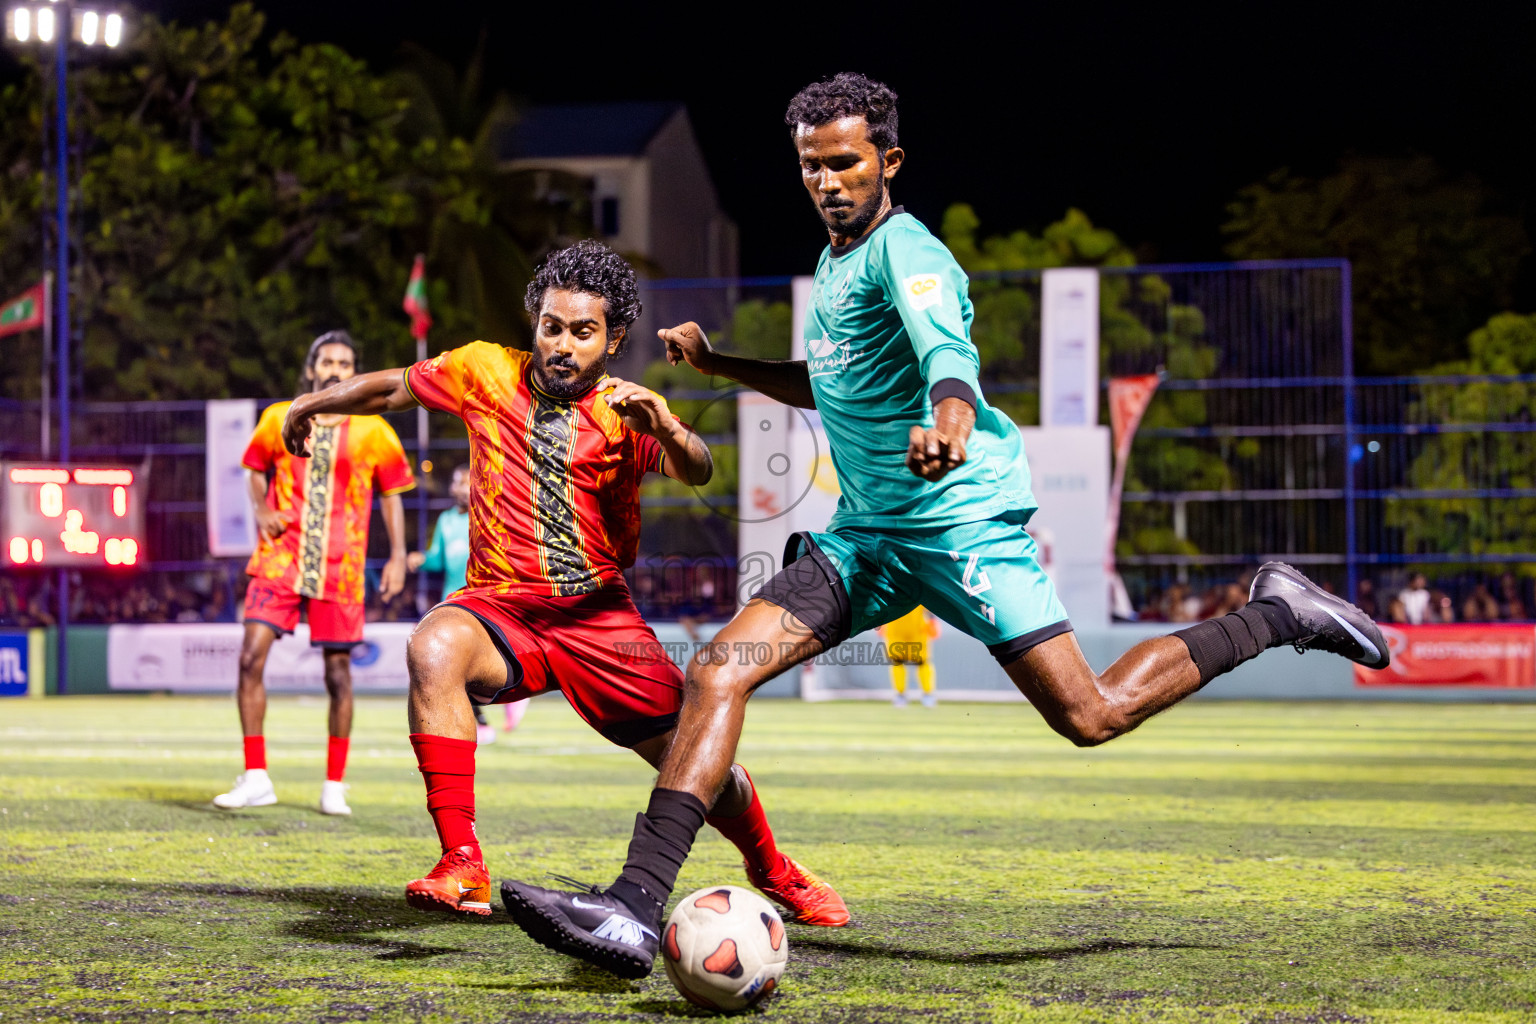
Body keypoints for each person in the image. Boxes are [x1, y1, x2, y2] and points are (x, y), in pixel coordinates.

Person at [499, 73, 1390, 980]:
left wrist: (952, 420)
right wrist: (724, 362)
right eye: (810, 165)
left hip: (959, 527)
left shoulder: (907, 251)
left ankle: (1277, 613)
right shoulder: (836, 263)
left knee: (1091, 714)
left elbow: (946, 355)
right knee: (718, 671)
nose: (826, 180)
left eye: (844, 161)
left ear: (887, 161)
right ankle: (634, 908)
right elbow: (830, 382)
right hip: (868, 538)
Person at [278, 240, 849, 928]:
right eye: (553, 326)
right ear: (535, 323)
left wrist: (667, 426)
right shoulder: (483, 369)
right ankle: (462, 861)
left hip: (599, 621)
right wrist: (314, 401)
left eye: (583, 332)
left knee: (697, 761)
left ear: (613, 340)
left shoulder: (625, 409)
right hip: (501, 609)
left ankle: (773, 867)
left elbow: (698, 469)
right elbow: (393, 386)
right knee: (432, 646)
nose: (564, 344)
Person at [213, 330, 414, 816]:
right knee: (249, 659)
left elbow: (392, 496)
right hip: (280, 557)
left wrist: (397, 555)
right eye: (327, 361)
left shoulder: (374, 430)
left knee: (339, 675)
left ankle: (333, 784)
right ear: (311, 369)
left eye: (345, 363)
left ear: (355, 372)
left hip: (341, 567)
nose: (335, 370)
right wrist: (261, 510)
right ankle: (256, 776)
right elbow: (254, 467)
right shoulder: (277, 417)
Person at [407, 465, 512, 744]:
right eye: (455, 483)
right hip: (453, 601)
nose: (457, 488)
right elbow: (438, 559)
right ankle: (478, 720)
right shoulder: (446, 520)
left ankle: (507, 699)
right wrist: (422, 560)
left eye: (464, 482)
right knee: (457, 668)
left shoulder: (488, 517)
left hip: (485, 600)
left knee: (480, 665)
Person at [879, 604, 940, 707]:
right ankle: (900, 695)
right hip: (895, 628)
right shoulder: (889, 587)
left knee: (922, 661)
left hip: (917, 626)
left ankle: (928, 695)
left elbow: (928, 601)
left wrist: (933, 621)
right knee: (897, 661)